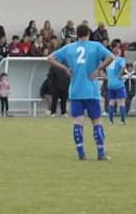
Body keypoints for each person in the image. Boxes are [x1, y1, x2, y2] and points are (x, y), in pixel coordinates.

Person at [47, 24, 114, 160]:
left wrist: (65, 68)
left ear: (76, 34)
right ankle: (101, 153)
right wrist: (98, 69)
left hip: (76, 90)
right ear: (88, 33)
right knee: (96, 120)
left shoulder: (69, 48)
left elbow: (50, 58)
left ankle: (81, 153)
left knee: (78, 121)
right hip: (91, 90)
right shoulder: (95, 46)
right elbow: (111, 57)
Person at [104, 42, 128, 125]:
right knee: (121, 102)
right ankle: (122, 120)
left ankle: (111, 121)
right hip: (118, 84)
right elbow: (123, 67)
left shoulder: (108, 60)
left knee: (111, 101)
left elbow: (103, 68)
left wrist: (107, 77)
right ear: (119, 51)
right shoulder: (120, 59)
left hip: (110, 84)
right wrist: (119, 75)